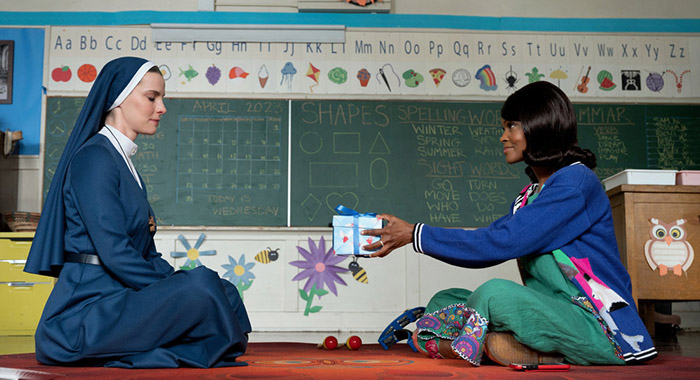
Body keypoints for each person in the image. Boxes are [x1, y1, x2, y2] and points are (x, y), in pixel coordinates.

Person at [362, 81, 656, 367]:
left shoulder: (575, 184)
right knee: (445, 299)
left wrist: (415, 234)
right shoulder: (531, 196)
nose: (503, 136)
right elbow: (491, 239)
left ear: (539, 125)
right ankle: (501, 345)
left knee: (494, 294)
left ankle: (471, 344)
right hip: (551, 312)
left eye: (511, 126)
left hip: (599, 325)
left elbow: (501, 242)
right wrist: (413, 236)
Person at [25, 56, 251, 368]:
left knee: (218, 287)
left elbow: (146, 254)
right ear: (118, 100)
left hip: (120, 296)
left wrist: (176, 282)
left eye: (162, 98)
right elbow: (115, 251)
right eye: (151, 98)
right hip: (85, 312)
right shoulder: (94, 158)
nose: (162, 108)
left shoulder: (123, 162)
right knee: (201, 287)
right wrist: (178, 288)